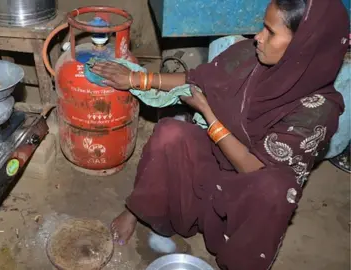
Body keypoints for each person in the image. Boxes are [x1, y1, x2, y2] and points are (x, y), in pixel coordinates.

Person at [90, 0, 349, 269]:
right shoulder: (250, 55)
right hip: (213, 159)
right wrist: (137, 79)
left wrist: (209, 114)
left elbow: (253, 167)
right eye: (263, 27)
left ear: (303, 46)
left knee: (275, 191)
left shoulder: (318, 110)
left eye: (271, 32)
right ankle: (139, 210)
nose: (258, 37)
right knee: (170, 133)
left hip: (249, 191)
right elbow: (197, 80)